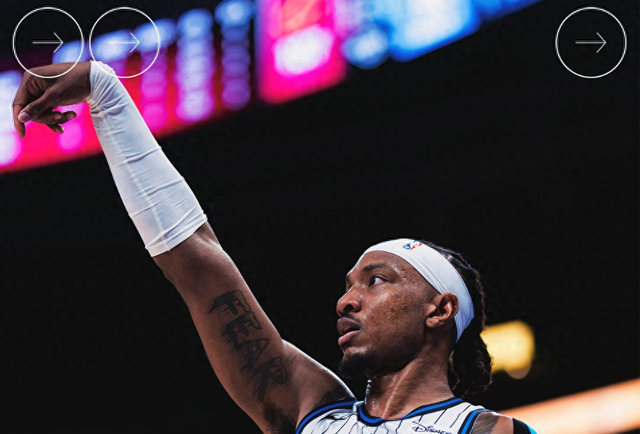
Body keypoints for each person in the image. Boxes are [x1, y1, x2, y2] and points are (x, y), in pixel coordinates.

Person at [12, 61, 537, 434]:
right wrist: (105, 92)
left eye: (376, 280)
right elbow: (197, 261)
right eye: (348, 286)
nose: (346, 301)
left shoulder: (490, 431)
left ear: (439, 310)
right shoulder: (311, 412)